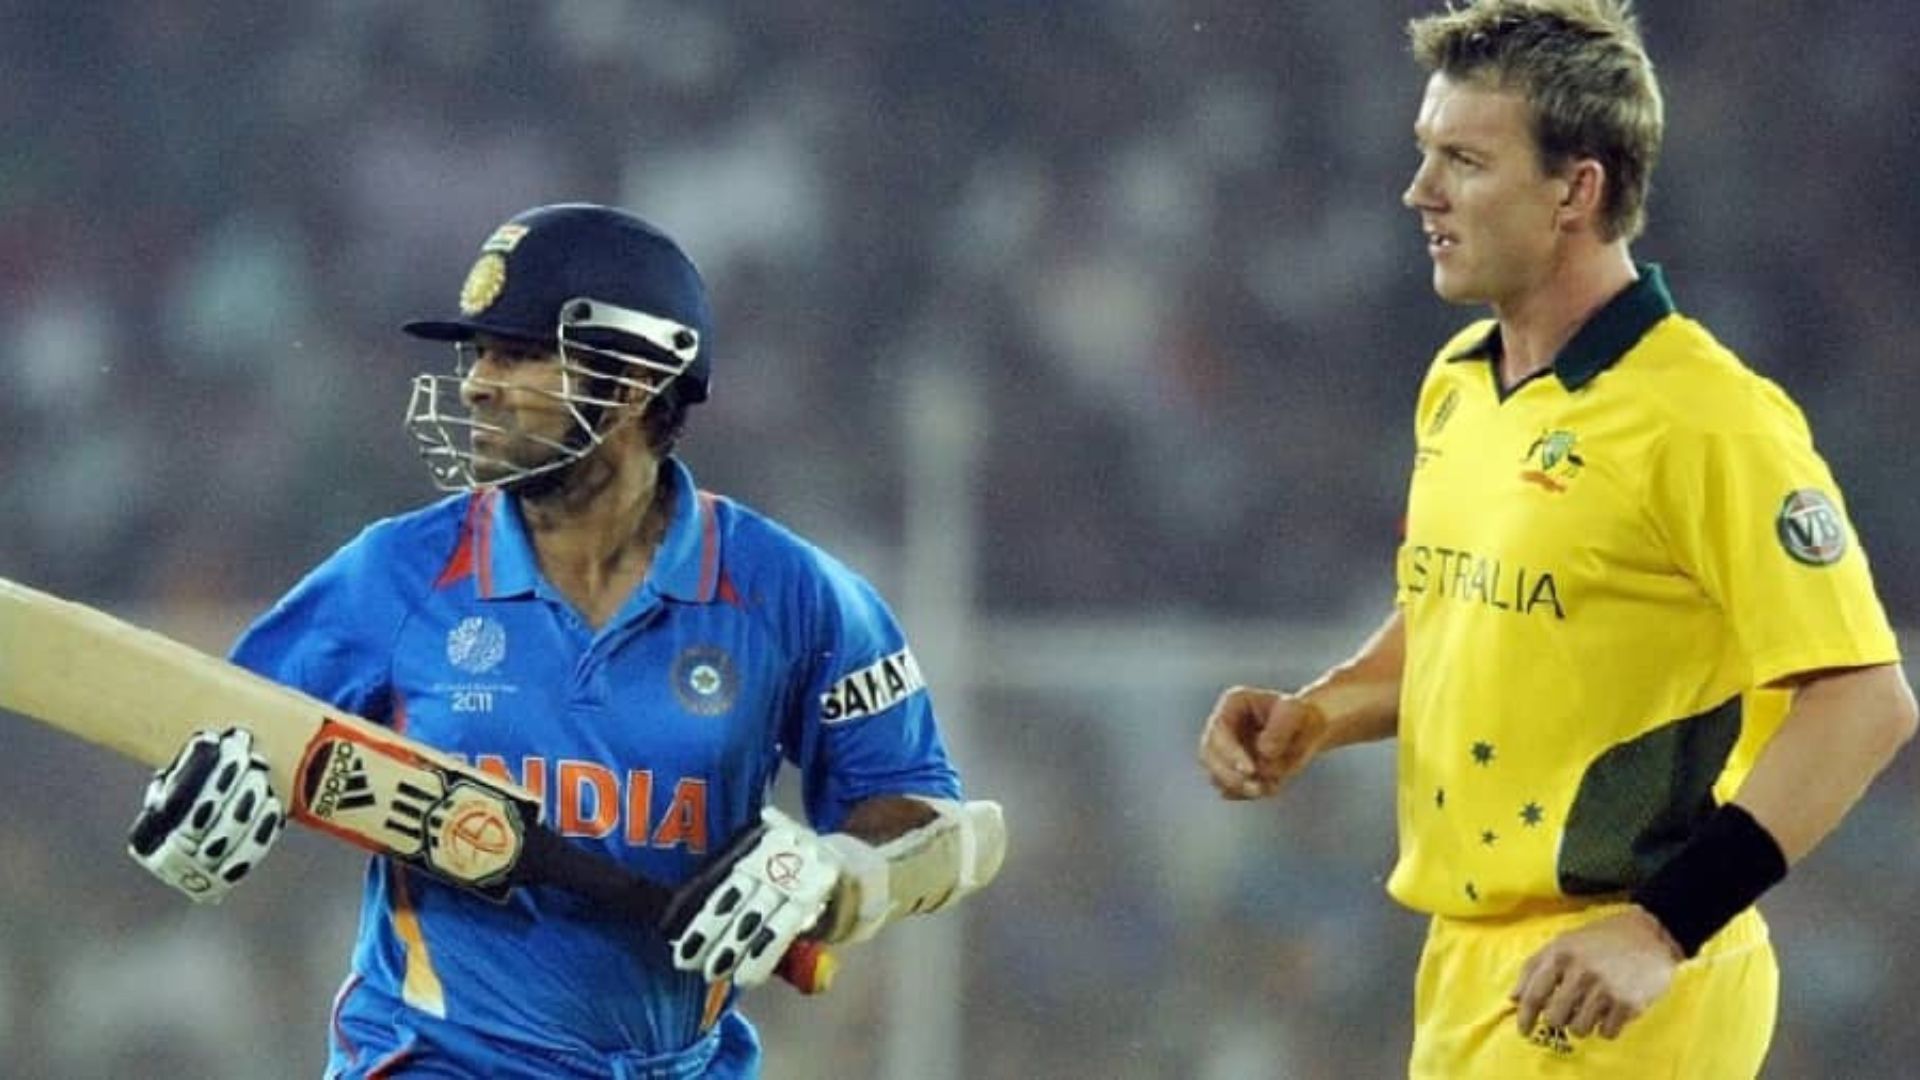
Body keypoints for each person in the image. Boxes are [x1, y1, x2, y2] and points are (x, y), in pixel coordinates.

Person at [122, 202, 1005, 1078]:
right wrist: (197, 810)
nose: (474, 383)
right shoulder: (393, 575)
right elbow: (226, 738)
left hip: (682, 1065)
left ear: (629, 381)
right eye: (477, 355)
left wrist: (835, 869)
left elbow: (946, 831)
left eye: (516, 354)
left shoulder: (795, 596)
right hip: (433, 1060)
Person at [1197, 3, 1916, 1077]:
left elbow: (1865, 699)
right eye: (1425, 155)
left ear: (1576, 189)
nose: (1421, 193)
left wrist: (1662, 927)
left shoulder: (1706, 417)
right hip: (1467, 966)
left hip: (1615, 979)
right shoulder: (1458, 385)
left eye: (1465, 161)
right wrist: (1321, 711)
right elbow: (1464, 616)